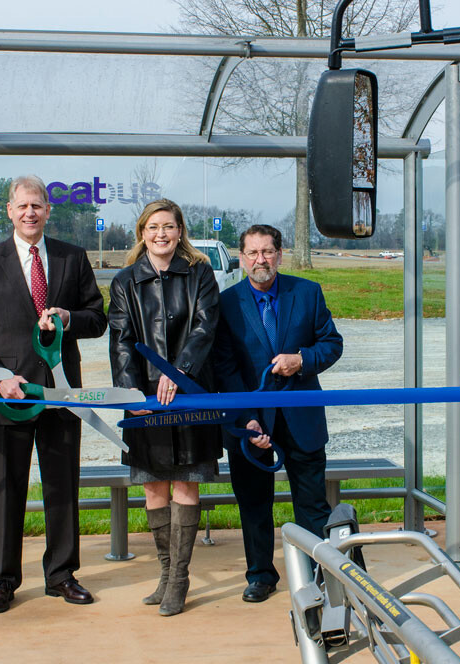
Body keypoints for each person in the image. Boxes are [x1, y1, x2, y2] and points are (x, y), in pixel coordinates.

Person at [0, 175, 107, 614]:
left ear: (47, 210)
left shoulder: (72, 257)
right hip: (9, 395)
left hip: (61, 392)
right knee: (7, 489)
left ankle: (61, 574)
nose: (30, 213)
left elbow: (97, 318)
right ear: (9, 210)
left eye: (37, 206)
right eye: (22, 206)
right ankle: (3, 580)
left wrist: (69, 316)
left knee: (62, 486)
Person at [213, 224, 343, 603]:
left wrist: (302, 360)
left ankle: (318, 574)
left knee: (312, 503)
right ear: (241, 258)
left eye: (267, 252)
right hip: (249, 420)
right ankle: (260, 576)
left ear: (280, 255)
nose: (260, 260)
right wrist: (247, 417)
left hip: (301, 418)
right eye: (252, 253)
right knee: (254, 503)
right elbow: (224, 366)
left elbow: (332, 344)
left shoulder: (307, 293)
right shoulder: (227, 303)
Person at [108, 199, 222, 617]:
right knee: (153, 485)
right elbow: (120, 340)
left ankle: (180, 580)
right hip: (145, 401)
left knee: (185, 483)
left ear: (180, 232)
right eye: (154, 227)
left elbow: (206, 326)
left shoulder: (200, 273)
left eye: (169, 227)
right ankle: (164, 572)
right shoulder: (124, 281)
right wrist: (130, 394)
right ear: (142, 232)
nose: (161, 234)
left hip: (190, 393)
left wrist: (179, 371)